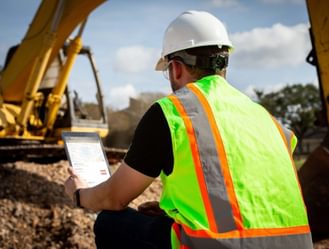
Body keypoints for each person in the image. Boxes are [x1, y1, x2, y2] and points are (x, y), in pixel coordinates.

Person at [64, 10, 314, 249]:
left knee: (110, 223)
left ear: (175, 67)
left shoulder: (173, 112)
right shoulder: (269, 120)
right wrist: (172, 214)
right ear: (223, 64)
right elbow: (252, 195)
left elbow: (114, 197)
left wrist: (79, 194)